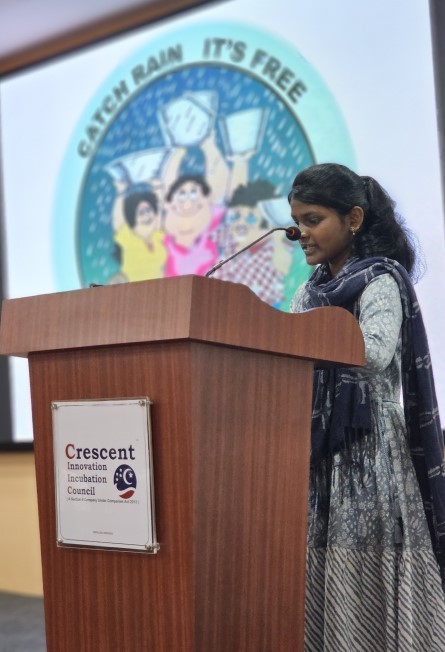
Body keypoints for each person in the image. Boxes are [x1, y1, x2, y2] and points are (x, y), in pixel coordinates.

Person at [288, 163, 445, 651]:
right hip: (317, 449)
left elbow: (373, 353)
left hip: (369, 444)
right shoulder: (308, 291)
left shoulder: (380, 280)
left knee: (364, 559)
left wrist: (304, 339)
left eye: (313, 220)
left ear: (353, 219)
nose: (301, 233)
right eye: (296, 222)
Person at [110, 180, 166, 283]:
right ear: (133, 217)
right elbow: (117, 219)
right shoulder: (128, 237)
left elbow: (159, 210)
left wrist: (157, 187)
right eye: (141, 213)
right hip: (134, 289)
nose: (146, 216)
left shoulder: (158, 235)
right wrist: (121, 193)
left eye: (148, 210)